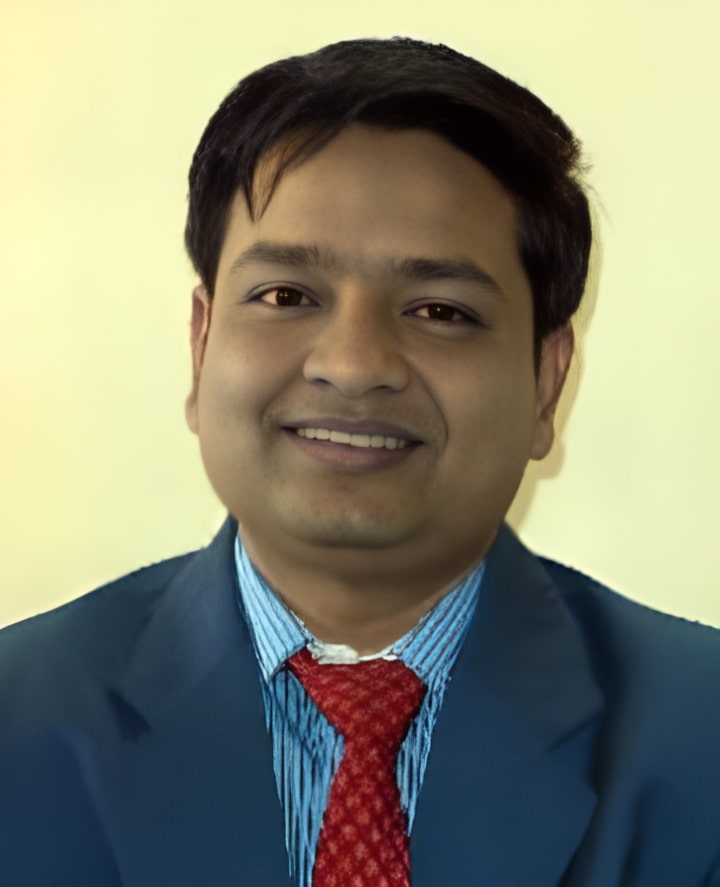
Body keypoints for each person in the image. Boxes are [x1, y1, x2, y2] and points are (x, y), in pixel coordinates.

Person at [0, 35, 718, 887]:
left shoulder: (699, 735)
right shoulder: (17, 720)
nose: (352, 363)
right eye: (285, 295)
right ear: (201, 345)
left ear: (546, 382)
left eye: (440, 310)